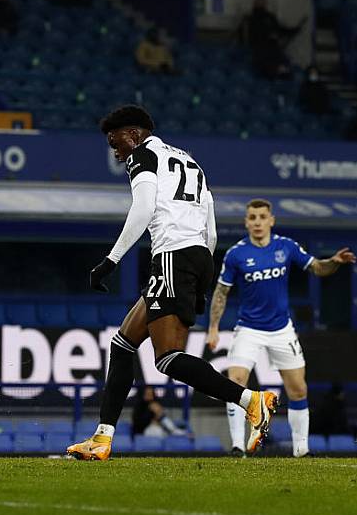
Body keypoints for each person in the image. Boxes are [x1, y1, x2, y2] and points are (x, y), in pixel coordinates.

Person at [67, 105, 278, 461]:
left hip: (172, 256)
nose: (116, 151)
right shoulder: (188, 160)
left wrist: (111, 260)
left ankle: (250, 400)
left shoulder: (143, 154)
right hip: (195, 256)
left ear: (133, 134)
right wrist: (203, 277)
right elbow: (210, 225)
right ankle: (102, 439)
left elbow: (145, 207)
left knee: (166, 359)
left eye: (116, 141)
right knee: (121, 345)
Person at [206, 199, 354, 457]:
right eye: (252, 217)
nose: (258, 222)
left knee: (298, 388)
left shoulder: (286, 247)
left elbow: (317, 268)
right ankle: (237, 446)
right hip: (248, 329)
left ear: (271, 220)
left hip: (281, 329)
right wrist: (213, 328)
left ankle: (301, 449)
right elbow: (221, 292)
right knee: (235, 382)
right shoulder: (236, 254)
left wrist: (334, 261)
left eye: (263, 217)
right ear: (246, 222)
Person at [243, 0, 305, 80]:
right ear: (254, 4)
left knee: (284, 66)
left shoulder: (270, 17)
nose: (261, 4)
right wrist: (268, 36)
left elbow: (279, 29)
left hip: (273, 48)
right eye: (259, 2)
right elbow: (252, 36)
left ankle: (281, 73)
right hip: (260, 49)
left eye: (262, 2)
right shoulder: (251, 18)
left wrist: (294, 30)